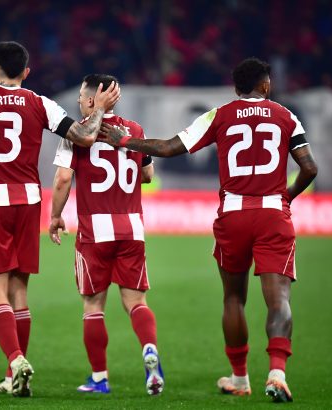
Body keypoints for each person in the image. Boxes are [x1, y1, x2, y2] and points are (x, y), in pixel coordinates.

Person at [99, 57, 318, 403]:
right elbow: (309, 168)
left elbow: (168, 147)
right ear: (265, 85)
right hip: (273, 215)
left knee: (233, 298)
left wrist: (126, 141)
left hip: (232, 216)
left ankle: (240, 378)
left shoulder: (220, 115)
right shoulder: (286, 116)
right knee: (279, 299)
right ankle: (277, 373)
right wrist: (286, 197)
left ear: (236, 88)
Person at [0, 41, 120, 398]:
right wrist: (101, 110)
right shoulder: (40, 103)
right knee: (19, 292)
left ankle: (16, 361)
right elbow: (85, 137)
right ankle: (13, 376)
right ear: (26, 72)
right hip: (29, 203)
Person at [49, 74, 164, 396]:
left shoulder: (77, 133)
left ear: (91, 100)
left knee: (93, 305)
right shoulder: (135, 130)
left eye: (80, 97)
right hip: (131, 227)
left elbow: (62, 179)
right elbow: (148, 174)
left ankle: (99, 378)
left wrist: (55, 216)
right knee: (136, 302)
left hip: (94, 230)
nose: (77, 102)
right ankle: (150, 350)